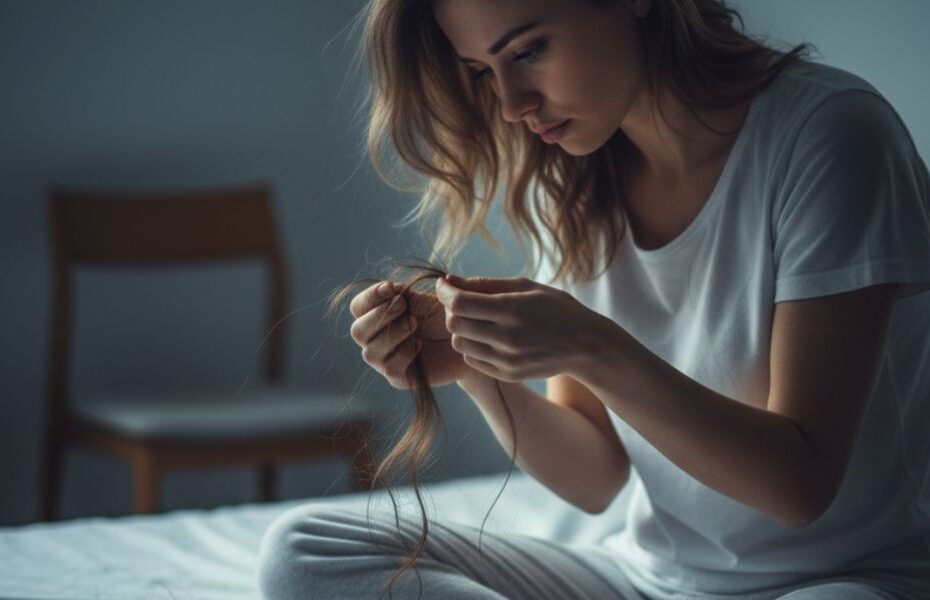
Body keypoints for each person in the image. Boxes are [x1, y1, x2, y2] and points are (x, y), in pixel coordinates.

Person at [257, 0, 930, 598]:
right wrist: (473, 367)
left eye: (528, 50)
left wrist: (592, 345)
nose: (513, 103)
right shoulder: (575, 184)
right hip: (647, 579)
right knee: (302, 552)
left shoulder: (832, 135)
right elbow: (596, 478)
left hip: (850, 578)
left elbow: (798, 486)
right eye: (484, 71)